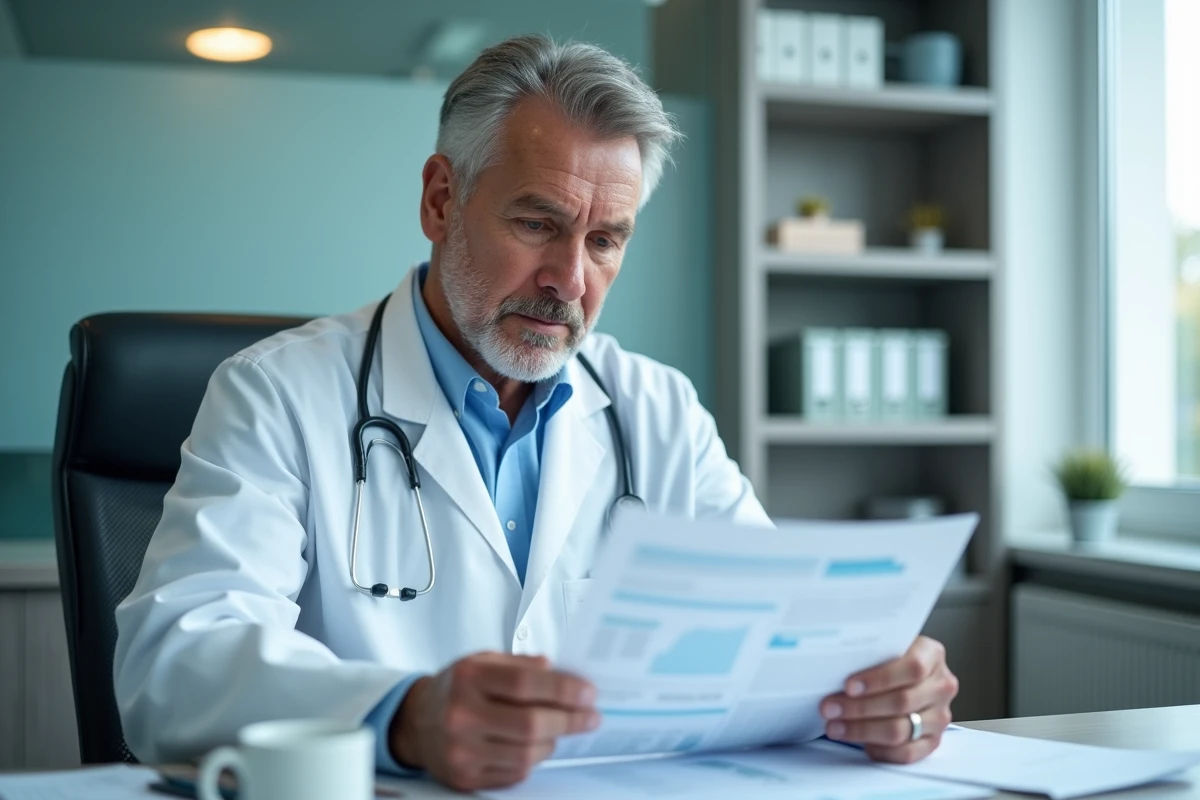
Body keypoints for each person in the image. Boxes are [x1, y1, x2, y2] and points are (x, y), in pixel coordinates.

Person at [113, 34, 959, 792]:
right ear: (441, 200)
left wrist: (881, 693)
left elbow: (783, 640)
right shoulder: (277, 393)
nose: (569, 280)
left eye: (606, 240)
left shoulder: (657, 410)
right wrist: (406, 716)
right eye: (536, 223)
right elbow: (175, 663)